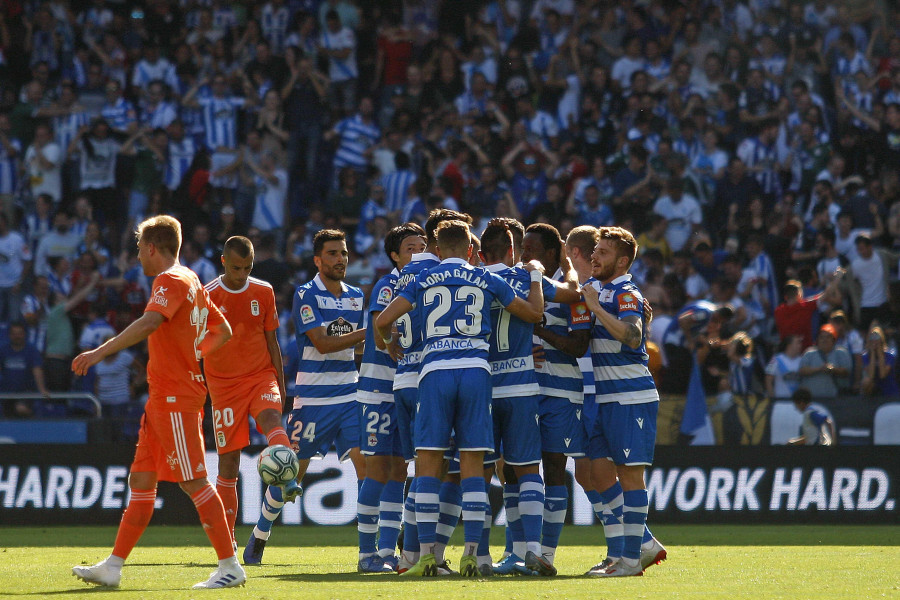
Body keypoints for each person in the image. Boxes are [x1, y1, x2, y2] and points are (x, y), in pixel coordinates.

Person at [70, 215, 244, 589]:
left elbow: (150, 323)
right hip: (162, 396)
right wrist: (195, 353)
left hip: (175, 396)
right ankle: (113, 566)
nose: (138, 257)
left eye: (138, 250)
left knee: (194, 481)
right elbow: (223, 331)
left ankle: (230, 565)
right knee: (142, 479)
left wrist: (99, 352)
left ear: (151, 248)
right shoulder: (193, 280)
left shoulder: (171, 280)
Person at [375, 219, 545, 578]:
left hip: (434, 373)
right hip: (475, 372)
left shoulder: (422, 279)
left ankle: (426, 556)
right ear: (471, 250)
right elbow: (533, 313)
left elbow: (383, 321)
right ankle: (472, 554)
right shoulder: (485, 278)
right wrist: (534, 278)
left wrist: (390, 345)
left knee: (428, 464)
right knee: (472, 465)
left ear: (437, 250)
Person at [244, 229, 366, 564]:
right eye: (332, 253)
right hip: (313, 400)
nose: (340, 259)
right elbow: (323, 343)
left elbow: (354, 347)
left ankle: (378, 547)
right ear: (317, 260)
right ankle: (260, 534)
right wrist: (374, 330)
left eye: (343, 253)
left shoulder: (356, 295)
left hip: (350, 395)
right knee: (290, 476)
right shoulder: (306, 294)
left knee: (369, 470)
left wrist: (373, 345)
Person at [480, 218, 579, 577]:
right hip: (523, 385)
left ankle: (482, 554)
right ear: (511, 251)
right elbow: (573, 292)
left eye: (531, 252)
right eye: (521, 250)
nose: (525, 256)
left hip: (488, 386)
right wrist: (549, 270)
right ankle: (525, 551)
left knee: (489, 471)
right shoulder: (527, 279)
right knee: (523, 470)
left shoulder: (475, 280)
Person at [582, 226, 665, 577]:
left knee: (631, 478)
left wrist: (595, 309)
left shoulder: (626, 292)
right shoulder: (603, 290)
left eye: (602, 252)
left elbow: (632, 336)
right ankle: (643, 542)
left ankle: (630, 560)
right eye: (595, 250)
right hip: (605, 398)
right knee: (596, 470)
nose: (594, 256)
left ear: (622, 260)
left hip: (631, 397)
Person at [204, 236, 294, 554]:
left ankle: (288, 477)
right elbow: (197, 346)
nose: (242, 274)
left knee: (271, 418)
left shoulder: (264, 291)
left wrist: (280, 385)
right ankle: (227, 542)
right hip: (224, 387)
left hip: (260, 376)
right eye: (237, 267)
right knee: (228, 464)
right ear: (223, 262)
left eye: (248, 267)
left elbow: (273, 342)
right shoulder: (207, 296)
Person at [355, 223, 425, 573]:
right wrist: (392, 345)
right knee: (378, 469)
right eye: (411, 247)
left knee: (400, 469)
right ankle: (366, 553)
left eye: (423, 245)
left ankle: (386, 551)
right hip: (379, 388)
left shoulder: (422, 284)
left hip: (404, 388)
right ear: (396, 255)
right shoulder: (388, 286)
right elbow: (381, 333)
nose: (420, 251)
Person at [798, 324, 852, 398]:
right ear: (817, 340)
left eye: (828, 337)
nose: (824, 340)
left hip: (835, 398)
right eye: (822, 337)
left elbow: (847, 371)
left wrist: (833, 369)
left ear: (833, 339)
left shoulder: (841, 352)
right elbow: (802, 370)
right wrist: (819, 369)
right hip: (812, 399)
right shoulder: (809, 353)